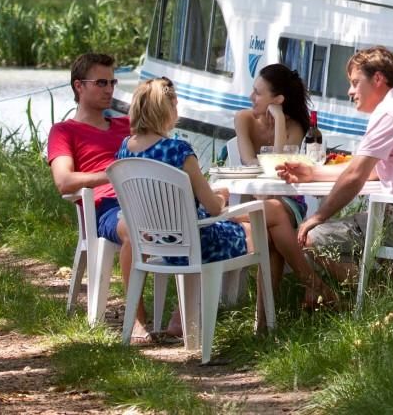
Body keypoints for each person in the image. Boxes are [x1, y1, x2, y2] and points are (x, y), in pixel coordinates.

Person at [283, 46, 393, 287]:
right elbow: (372, 171)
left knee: (310, 238)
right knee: (372, 221)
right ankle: (392, 288)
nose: (350, 91)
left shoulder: (390, 111)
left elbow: (356, 175)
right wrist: (313, 172)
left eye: (355, 83)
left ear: (378, 79)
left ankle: (375, 293)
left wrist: (317, 216)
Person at [231, 64, 336, 306]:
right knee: (273, 227)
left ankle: (265, 319)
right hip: (259, 201)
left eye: (258, 93)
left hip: (289, 201)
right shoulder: (243, 119)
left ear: (277, 100)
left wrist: (278, 119)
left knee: (275, 214)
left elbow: (278, 166)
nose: (251, 97)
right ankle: (314, 286)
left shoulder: (295, 126)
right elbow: (249, 162)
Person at [45, 53, 138, 321]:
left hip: (147, 196)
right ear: (79, 86)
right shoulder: (64, 131)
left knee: (203, 220)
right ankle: (137, 321)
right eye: (101, 83)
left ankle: (183, 319)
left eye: (112, 82)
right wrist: (112, 175)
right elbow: (64, 181)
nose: (109, 90)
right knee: (135, 228)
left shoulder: (128, 125)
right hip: (107, 208)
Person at [116, 78, 246, 269]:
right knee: (253, 231)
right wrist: (221, 197)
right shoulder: (178, 150)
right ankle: (264, 288)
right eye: (175, 106)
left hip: (158, 244)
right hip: (198, 246)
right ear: (166, 109)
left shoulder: (125, 148)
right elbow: (214, 209)